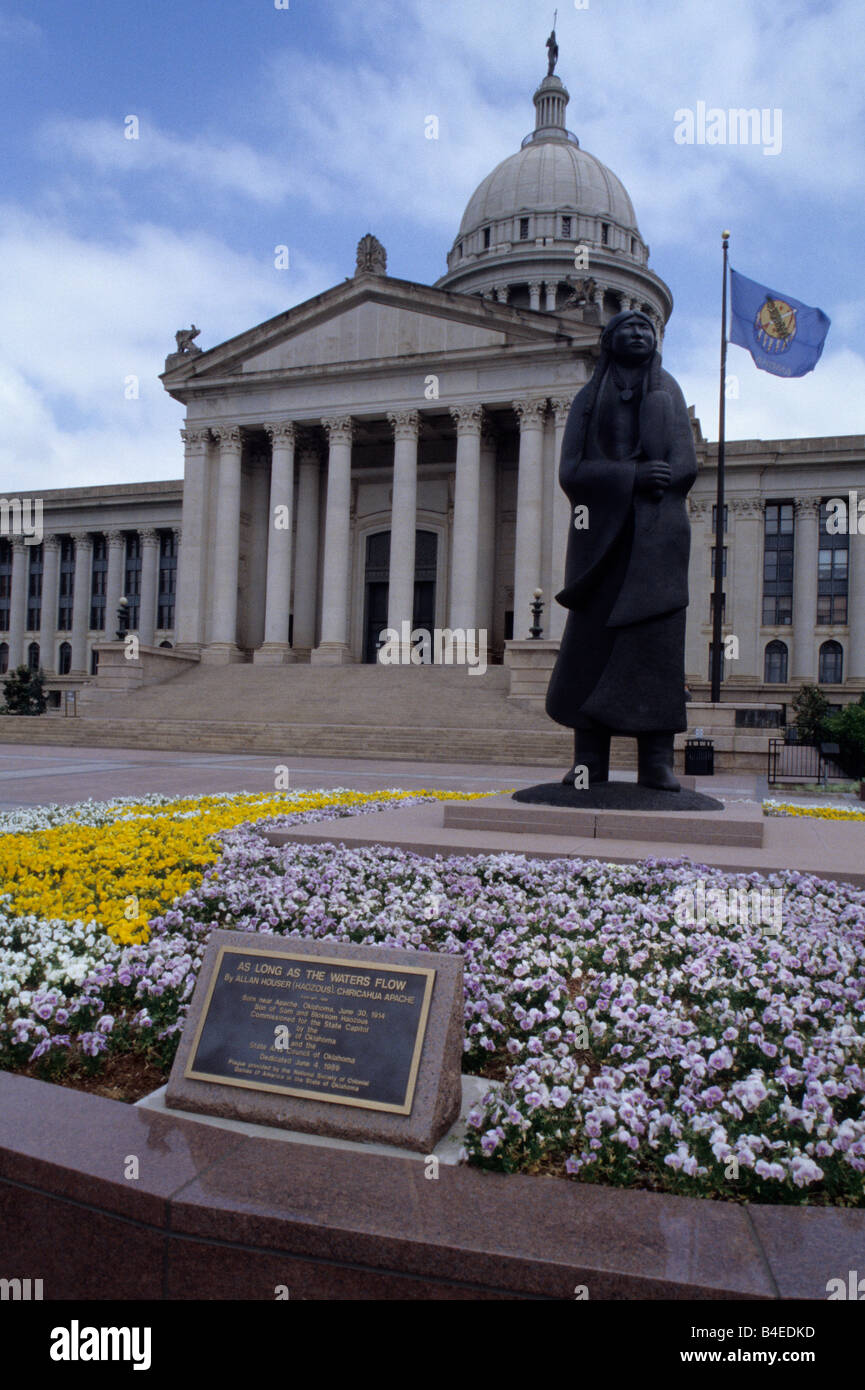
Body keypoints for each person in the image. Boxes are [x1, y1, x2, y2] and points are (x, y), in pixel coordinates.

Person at [546, 310, 697, 791]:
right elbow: (571, 471)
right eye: (628, 327)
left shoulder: (668, 392)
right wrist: (631, 476)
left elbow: (686, 464)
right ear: (609, 339)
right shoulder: (588, 400)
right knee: (592, 651)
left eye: (646, 328)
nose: (639, 334)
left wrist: (662, 478)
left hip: (656, 543)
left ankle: (656, 761)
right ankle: (589, 761)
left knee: (655, 650)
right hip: (601, 549)